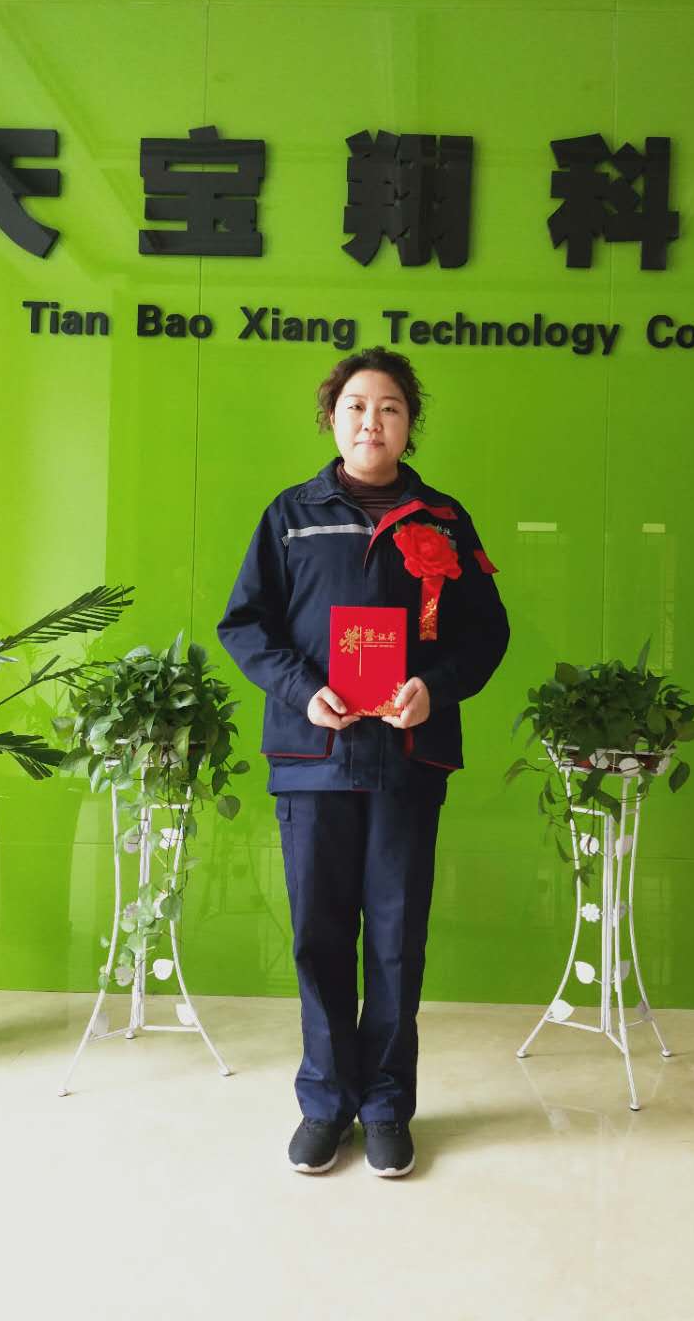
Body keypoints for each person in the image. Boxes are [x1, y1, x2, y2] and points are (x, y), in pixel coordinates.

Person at [217, 347, 509, 1178]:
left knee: (394, 937)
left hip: (407, 756)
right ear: (331, 418)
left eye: (388, 407)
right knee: (317, 936)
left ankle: (384, 1105)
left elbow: (486, 633)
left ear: (410, 423)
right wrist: (302, 689)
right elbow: (245, 625)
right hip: (314, 753)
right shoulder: (291, 514)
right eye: (354, 406)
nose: (370, 421)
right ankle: (324, 1103)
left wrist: (434, 689)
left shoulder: (444, 520)